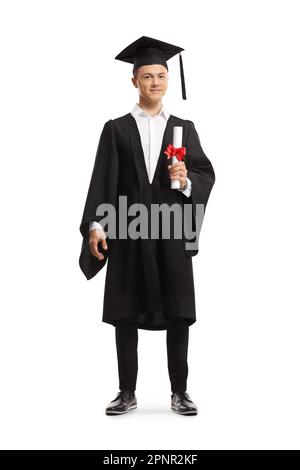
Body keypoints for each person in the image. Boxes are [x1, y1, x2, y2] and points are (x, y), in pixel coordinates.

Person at [79, 36, 215, 416]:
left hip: (171, 229)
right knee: (125, 309)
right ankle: (126, 391)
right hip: (128, 229)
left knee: (177, 309)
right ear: (134, 81)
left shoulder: (183, 129)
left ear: (168, 79)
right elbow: (102, 179)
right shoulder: (116, 129)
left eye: (161, 76)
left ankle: (180, 391)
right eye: (147, 76)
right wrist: (96, 225)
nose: (155, 82)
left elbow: (205, 175)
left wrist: (186, 179)